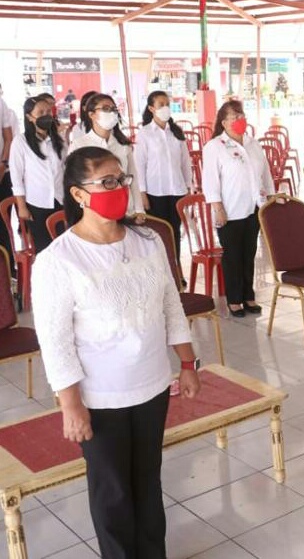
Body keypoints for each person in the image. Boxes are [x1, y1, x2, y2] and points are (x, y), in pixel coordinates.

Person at [32, 146, 200, 559]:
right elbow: (55, 341)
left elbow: (170, 305)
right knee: (113, 491)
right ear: (78, 195)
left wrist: (186, 362)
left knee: (148, 479)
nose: (118, 188)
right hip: (100, 396)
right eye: (106, 182)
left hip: (152, 384)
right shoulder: (58, 260)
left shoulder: (147, 240)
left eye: (121, 179)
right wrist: (70, 405)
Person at [201, 101, 273, 318]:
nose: (239, 118)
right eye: (234, 116)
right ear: (224, 122)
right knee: (233, 256)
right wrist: (218, 208)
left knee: (249, 253)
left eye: (241, 114)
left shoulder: (253, 144)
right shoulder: (215, 146)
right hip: (229, 211)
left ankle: (248, 295)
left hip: (254, 208)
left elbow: (266, 174)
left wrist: (269, 198)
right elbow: (210, 182)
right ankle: (234, 300)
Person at [135, 91, 193, 269]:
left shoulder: (176, 133)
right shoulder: (145, 134)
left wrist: (188, 186)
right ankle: (161, 270)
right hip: (155, 192)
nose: (165, 107)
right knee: (158, 232)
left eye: (167, 103)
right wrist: (142, 193)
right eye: (161, 104)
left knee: (174, 231)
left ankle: (176, 270)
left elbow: (185, 162)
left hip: (176, 190)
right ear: (152, 108)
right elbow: (139, 165)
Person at [70, 93, 144, 215]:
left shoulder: (123, 144)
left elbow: (133, 178)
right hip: (94, 212)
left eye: (114, 109)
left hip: (126, 208)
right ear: (91, 114)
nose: (111, 113)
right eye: (105, 109)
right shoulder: (79, 145)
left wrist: (139, 209)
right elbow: (74, 184)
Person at [10, 97, 65, 252]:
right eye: (40, 112)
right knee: (43, 249)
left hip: (60, 200)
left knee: (62, 246)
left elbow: (65, 169)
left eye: (48, 111)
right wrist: (22, 207)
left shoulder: (58, 140)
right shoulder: (20, 142)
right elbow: (16, 178)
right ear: (29, 117)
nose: (46, 115)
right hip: (36, 204)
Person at [0, 85, 17, 272]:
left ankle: (8, 273)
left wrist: (3, 164)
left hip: (3, 173)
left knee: (3, 227)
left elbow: (8, 137)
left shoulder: (1, 104)